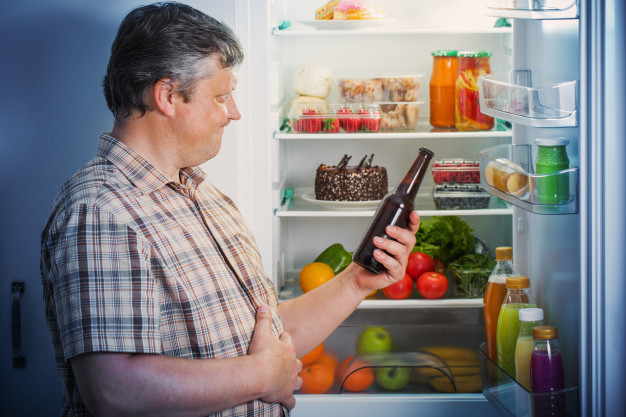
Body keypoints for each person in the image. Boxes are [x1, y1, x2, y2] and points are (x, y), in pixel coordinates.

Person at [40, 2, 420, 416]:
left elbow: (271, 334)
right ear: (167, 96)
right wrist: (262, 377)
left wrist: (357, 281)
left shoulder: (206, 198)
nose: (234, 113)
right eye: (221, 96)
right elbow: (115, 390)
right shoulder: (102, 211)